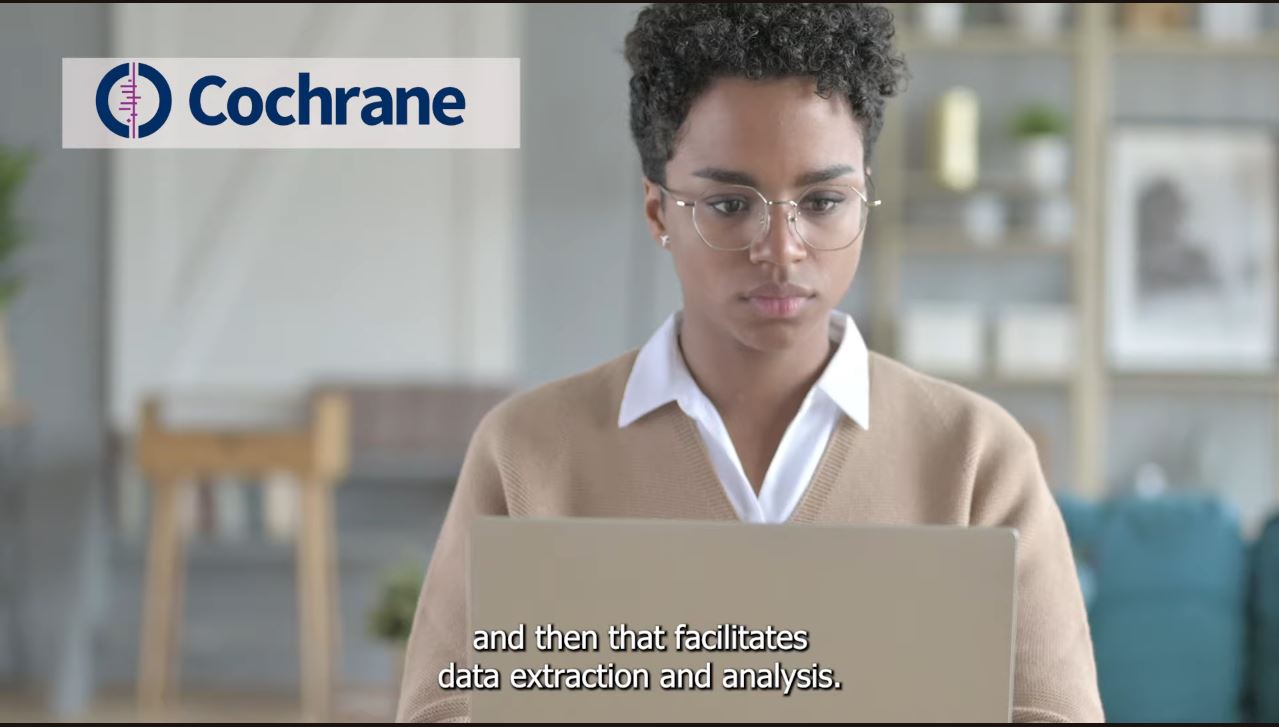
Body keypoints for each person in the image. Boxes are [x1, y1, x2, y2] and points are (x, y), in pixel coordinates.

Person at [396, 4, 1104, 722]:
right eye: (731, 205)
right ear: (657, 211)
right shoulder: (527, 452)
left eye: (822, 201)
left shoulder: (976, 458)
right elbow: (440, 709)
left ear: (864, 199)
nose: (781, 248)